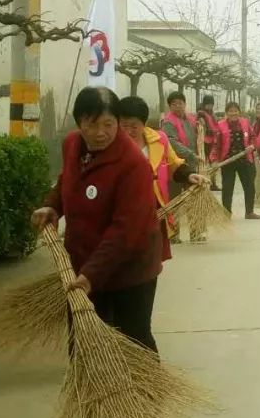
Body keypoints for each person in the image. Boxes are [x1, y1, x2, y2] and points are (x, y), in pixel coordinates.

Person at [31, 87, 163, 352]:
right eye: (91, 124)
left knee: (134, 339)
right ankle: (91, 390)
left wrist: (91, 274)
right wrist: (53, 207)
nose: (100, 133)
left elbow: (125, 230)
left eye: (108, 124)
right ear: (79, 122)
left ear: (118, 123)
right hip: (84, 264)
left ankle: (146, 393)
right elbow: (66, 180)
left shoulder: (133, 164)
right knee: (85, 340)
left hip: (130, 268)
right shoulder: (72, 144)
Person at [117, 96, 208, 259]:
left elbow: (174, 164)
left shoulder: (159, 140)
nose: (128, 131)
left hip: (155, 210)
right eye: (123, 126)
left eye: (134, 126)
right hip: (123, 214)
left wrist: (189, 175)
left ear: (143, 124)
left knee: (152, 259)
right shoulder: (112, 145)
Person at [212, 101, 260, 220]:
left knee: (249, 186)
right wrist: (214, 159)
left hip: (245, 160)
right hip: (228, 161)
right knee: (227, 187)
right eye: (230, 111)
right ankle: (226, 213)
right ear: (226, 113)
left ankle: (249, 212)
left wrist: (253, 146)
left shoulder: (245, 123)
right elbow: (216, 144)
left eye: (235, 110)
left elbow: (253, 137)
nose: (233, 113)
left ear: (239, 112)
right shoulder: (220, 125)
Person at [161, 91, 198, 242]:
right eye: (173, 104)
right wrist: (190, 153)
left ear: (185, 104)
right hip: (175, 166)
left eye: (180, 103)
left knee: (194, 198)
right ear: (170, 106)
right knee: (175, 200)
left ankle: (196, 232)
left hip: (191, 164)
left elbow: (198, 137)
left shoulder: (190, 120)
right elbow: (171, 142)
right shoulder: (168, 122)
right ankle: (173, 234)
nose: (177, 106)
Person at [197, 95, 221, 191]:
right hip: (205, 141)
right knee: (205, 163)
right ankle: (204, 182)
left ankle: (213, 183)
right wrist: (215, 131)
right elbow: (203, 129)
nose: (210, 106)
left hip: (213, 141)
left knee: (213, 162)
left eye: (211, 104)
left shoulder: (212, 114)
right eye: (208, 104)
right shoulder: (201, 114)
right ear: (204, 104)